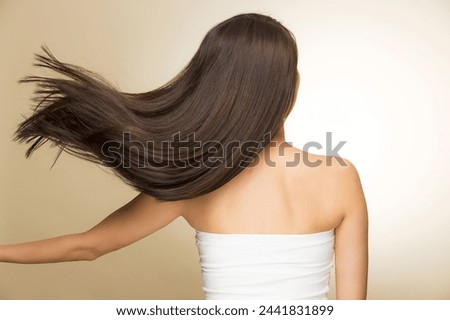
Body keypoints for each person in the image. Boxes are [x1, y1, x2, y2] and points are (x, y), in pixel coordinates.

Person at [0, 13, 368, 299]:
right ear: (292, 87)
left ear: (210, 86)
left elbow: (87, 246)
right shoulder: (340, 176)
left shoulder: (196, 181)